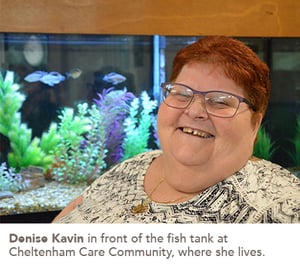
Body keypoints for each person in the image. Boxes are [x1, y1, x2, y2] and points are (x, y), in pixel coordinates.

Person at [53, 35, 300, 223]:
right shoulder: (133, 167)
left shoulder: (280, 210)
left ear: (255, 123)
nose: (194, 111)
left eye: (220, 101)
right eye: (181, 94)